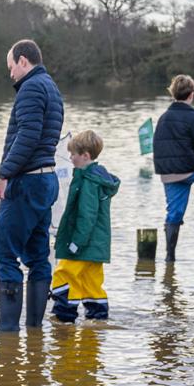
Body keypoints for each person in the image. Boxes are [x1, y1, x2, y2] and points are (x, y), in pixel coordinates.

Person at [0, 39, 64, 332]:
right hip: (47, 180)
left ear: (23, 60)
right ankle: (35, 332)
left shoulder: (31, 88)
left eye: (11, 68)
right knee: (37, 256)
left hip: (27, 181)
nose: (10, 75)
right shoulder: (51, 87)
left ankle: (7, 333)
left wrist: (4, 174)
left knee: (5, 254)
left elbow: (28, 136)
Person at [50, 130, 120, 323]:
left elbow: (87, 215)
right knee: (92, 282)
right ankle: (97, 321)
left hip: (82, 244)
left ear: (85, 156)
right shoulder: (98, 178)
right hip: (96, 246)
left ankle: (64, 317)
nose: (70, 158)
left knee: (63, 274)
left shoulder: (88, 180)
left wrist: (76, 243)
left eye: (73, 154)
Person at [152, 74, 194, 262]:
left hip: (169, 174)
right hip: (190, 169)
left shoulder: (163, 118)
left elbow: (158, 147)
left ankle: (169, 258)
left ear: (173, 93)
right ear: (192, 94)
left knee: (174, 213)